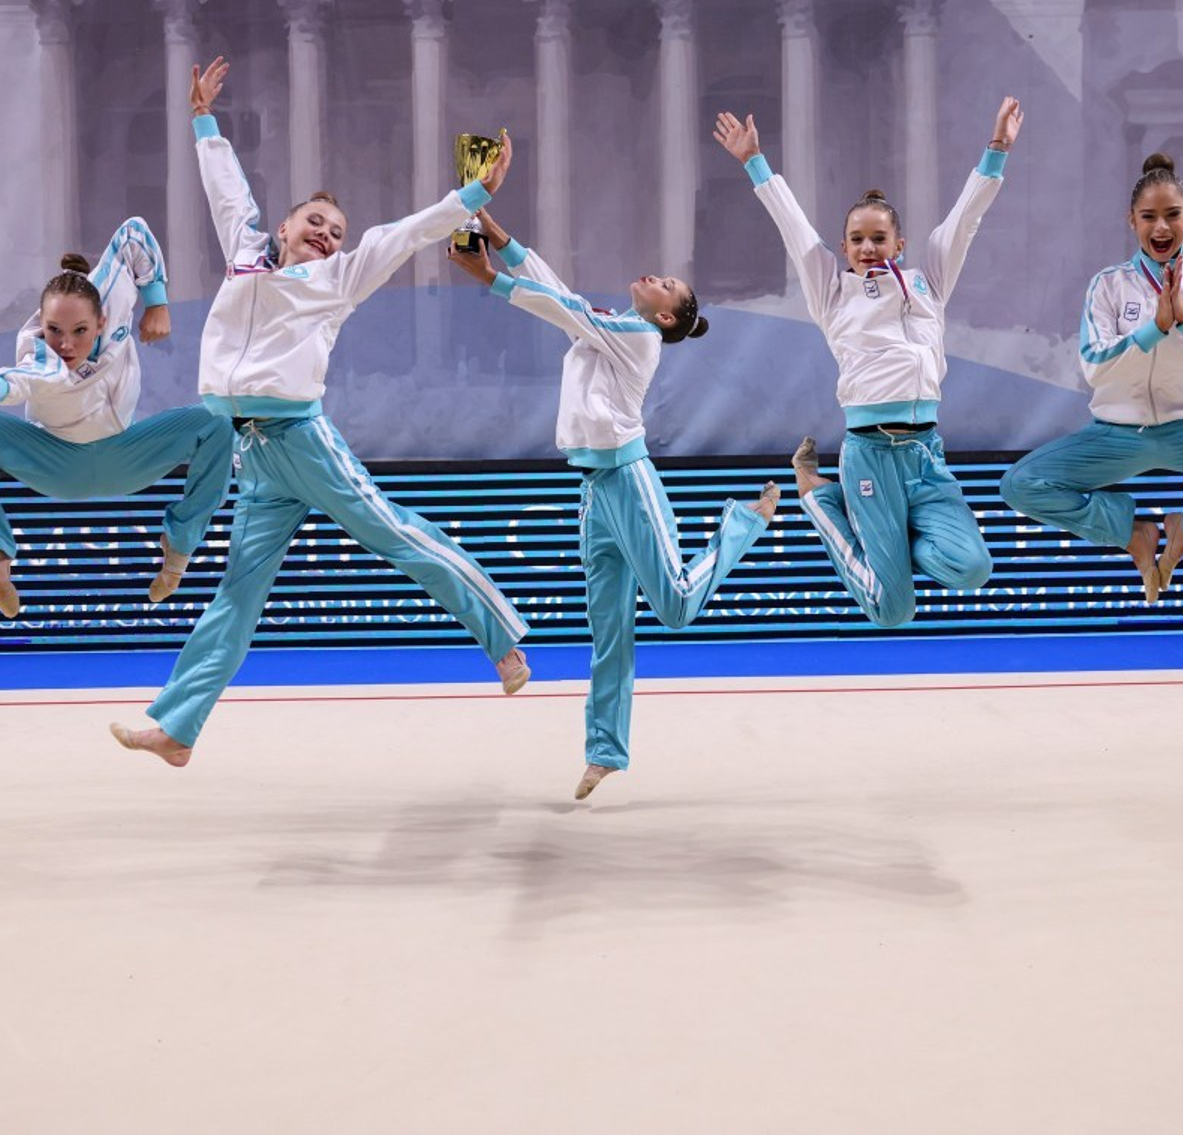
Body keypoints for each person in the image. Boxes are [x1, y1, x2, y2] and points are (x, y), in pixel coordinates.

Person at [110, 56, 530, 767]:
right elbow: (225, 188)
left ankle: (502, 639)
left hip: (302, 439)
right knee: (237, 594)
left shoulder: (340, 277)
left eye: (336, 230)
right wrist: (203, 119)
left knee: (395, 533)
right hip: (253, 453)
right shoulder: (245, 252)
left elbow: (402, 234)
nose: (328, 235)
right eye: (316, 222)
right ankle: (177, 730)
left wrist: (472, 195)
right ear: (284, 225)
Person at [448, 208, 778, 800]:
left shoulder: (640, 337)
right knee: (609, 632)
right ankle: (604, 752)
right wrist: (499, 236)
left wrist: (490, 278)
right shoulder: (611, 325)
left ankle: (743, 523)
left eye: (667, 285)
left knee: (676, 606)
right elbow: (561, 295)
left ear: (666, 316)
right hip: (594, 489)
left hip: (628, 480)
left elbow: (563, 308)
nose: (657, 276)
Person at [713, 98, 1023, 628]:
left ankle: (893, 540)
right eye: (857, 239)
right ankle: (818, 498)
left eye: (879, 238)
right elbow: (795, 230)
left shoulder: (928, 283)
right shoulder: (833, 294)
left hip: (925, 456)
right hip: (870, 457)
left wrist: (997, 149)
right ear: (843, 247)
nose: (868, 247)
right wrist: (754, 163)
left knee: (973, 568)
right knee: (892, 612)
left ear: (899, 244)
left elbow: (964, 222)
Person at [1000, 152, 1183, 601]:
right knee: (1020, 485)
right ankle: (1133, 533)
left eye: (1172, 215)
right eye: (1149, 217)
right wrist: (1156, 329)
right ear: (1132, 220)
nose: (1161, 228)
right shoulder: (1108, 285)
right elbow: (1095, 367)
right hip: (1119, 433)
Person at [0, 220, 233, 618]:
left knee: (219, 421)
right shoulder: (40, 356)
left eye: (79, 330)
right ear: (41, 322)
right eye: (54, 330)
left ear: (102, 321)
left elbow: (133, 233)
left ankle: (178, 550)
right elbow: (15, 382)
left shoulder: (111, 296)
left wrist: (157, 302)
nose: (66, 344)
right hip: (54, 463)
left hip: (125, 455)